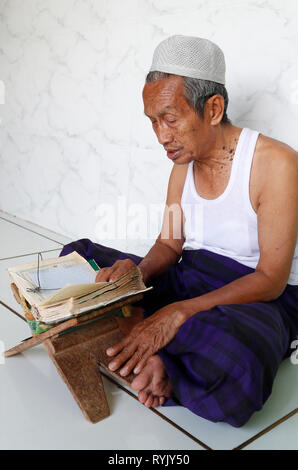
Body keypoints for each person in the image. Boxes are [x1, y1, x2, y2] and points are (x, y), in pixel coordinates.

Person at [59, 35, 298, 427]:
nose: (161, 136)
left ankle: (149, 349)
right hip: (191, 275)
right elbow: (170, 244)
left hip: (253, 295)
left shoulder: (277, 163)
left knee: (238, 362)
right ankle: (149, 341)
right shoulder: (182, 165)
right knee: (78, 256)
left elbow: (270, 279)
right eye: (153, 121)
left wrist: (176, 313)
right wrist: (136, 276)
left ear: (214, 108)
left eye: (170, 118)